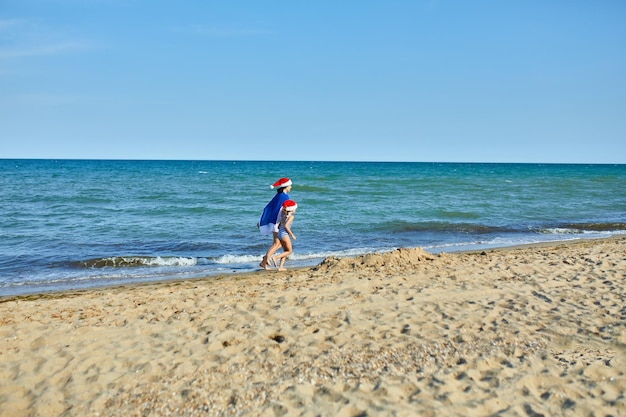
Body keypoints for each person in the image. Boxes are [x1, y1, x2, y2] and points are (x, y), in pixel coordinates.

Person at [258, 177, 292, 270]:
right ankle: (266, 259)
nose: (291, 187)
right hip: (278, 222)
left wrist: (261, 220)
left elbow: (269, 208)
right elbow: (283, 210)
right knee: (276, 243)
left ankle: (264, 261)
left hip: (275, 222)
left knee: (279, 243)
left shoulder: (278, 196)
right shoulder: (284, 197)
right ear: (285, 186)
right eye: (290, 185)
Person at [271, 200, 297, 271]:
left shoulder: (284, 215)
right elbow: (286, 226)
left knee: (285, 251)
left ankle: (280, 267)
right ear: (292, 209)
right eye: (295, 209)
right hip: (284, 234)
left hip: (280, 233)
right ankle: (275, 258)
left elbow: (279, 225)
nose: (295, 210)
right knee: (289, 251)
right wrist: (292, 235)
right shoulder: (291, 217)